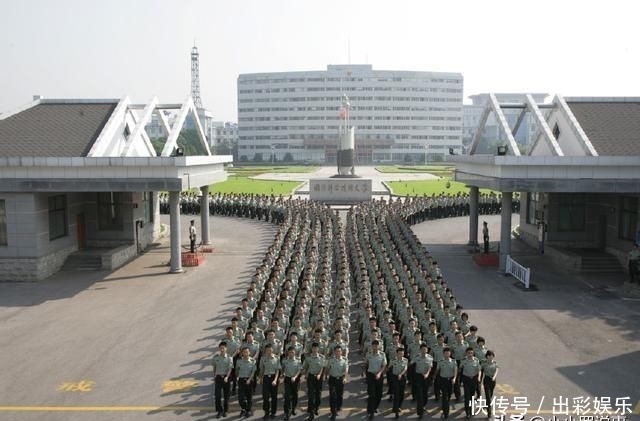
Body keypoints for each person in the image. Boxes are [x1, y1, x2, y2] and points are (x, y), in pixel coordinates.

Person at [364, 340, 387, 420]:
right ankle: (371, 411)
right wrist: (363, 372)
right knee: (372, 394)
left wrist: (379, 373)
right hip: (370, 375)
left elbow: (384, 365)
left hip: (379, 375)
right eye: (373, 346)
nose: (375, 347)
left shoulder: (382, 354)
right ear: (372, 346)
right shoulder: (368, 354)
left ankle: (375, 407)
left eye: (376, 346)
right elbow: (366, 363)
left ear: (379, 346)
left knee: (379, 394)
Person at [302, 342, 326, 421]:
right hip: (311, 377)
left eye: (316, 348)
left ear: (318, 349)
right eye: (313, 348)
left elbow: (323, 367)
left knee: (318, 394)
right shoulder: (308, 358)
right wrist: (306, 374)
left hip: (319, 377)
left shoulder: (322, 357)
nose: (315, 350)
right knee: (311, 394)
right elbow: (305, 367)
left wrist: (320, 374)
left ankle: (317, 407)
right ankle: (311, 412)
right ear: (311, 349)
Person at [326, 345, 349, 421]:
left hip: (340, 380)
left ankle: (338, 407)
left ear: (341, 352)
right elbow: (328, 368)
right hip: (332, 379)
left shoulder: (344, 360)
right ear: (334, 352)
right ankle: (333, 412)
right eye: (336, 351)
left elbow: (346, 370)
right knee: (333, 396)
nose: (338, 353)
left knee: (339, 395)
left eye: (339, 351)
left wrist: (345, 378)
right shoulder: (331, 360)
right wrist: (327, 375)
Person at [258, 344, 280, 420]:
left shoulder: (277, 358)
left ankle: (273, 412)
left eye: (270, 350)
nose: (269, 351)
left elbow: (277, 370)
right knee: (265, 397)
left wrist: (275, 380)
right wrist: (260, 378)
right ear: (265, 351)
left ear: (272, 350)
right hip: (266, 378)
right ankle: (266, 412)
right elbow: (262, 369)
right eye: (267, 350)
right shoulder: (263, 358)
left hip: (274, 378)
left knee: (274, 397)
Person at [212, 341, 234, 418]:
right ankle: (219, 411)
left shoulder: (229, 358)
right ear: (219, 348)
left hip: (226, 378)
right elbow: (214, 367)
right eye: (220, 348)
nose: (222, 349)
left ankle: (225, 410)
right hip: (218, 378)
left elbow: (230, 369)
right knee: (217, 396)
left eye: (223, 348)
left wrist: (227, 377)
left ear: (226, 349)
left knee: (226, 396)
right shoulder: (215, 357)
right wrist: (214, 375)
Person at [459, 347, 481, 420]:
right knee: (467, 397)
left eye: (471, 353)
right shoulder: (464, 360)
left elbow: (479, 370)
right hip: (466, 379)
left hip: (474, 379)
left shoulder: (476, 360)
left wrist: (479, 377)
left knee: (472, 396)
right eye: (469, 353)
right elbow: (460, 368)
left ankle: (470, 409)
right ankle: (467, 412)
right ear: (466, 353)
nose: (470, 354)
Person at [412, 343, 433, 419]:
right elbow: (411, 363)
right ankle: (420, 412)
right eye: (422, 349)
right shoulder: (416, 357)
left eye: (425, 349)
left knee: (425, 393)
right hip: (418, 376)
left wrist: (427, 374)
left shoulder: (430, 358)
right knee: (419, 394)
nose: (424, 350)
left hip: (426, 377)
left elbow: (430, 367)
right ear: (420, 350)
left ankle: (423, 405)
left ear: (427, 350)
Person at [435, 347, 457, 419]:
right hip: (443, 380)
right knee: (445, 396)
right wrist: (434, 378)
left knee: (449, 395)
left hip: (450, 380)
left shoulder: (453, 361)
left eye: (448, 353)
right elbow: (437, 370)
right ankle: (446, 413)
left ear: (450, 354)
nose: (447, 355)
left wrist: (454, 378)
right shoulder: (440, 361)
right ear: (443, 354)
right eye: (445, 353)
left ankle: (445, 405)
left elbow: (455, 371)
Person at [282, 346, 302, 421]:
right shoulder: (285, 360)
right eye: (290, 352)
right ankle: (287, 413)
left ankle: (293, 408)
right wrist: (283, 373)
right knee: (287, 396)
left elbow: (299, 370)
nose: (291, 354)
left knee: (295, 395)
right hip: (287, 379)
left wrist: (295, 377)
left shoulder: (298, 361)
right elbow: (283, 368)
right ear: (288, 353)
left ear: (295, 353)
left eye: (292, 352)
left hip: (295, 380)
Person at [235, 346, 257, 418]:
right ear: (242, 353)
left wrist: (249, 379)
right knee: (241, 398)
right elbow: (237, 370)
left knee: (249, 397)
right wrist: (237, 377)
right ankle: (244, 408)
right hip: (241, 380)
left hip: (249, 380)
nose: (246, 353)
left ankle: (248, 410)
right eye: (244, 352)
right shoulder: (239, 361)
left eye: (247, 352)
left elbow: (253, 372)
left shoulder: (253, 361)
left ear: (249, 353)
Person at [388, 347, 409, 419]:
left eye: (402, 354)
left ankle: (399, 406)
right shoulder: (393, 360)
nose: (400, 355)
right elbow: (389, 368)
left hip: (402, 378)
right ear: (396, 354)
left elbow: (405, 368)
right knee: (396, 394)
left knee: (401, 394)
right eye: (399, 354)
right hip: (395, 378)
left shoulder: (405, 360)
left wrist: (401, 374)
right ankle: (396, 409)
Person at [481, 351, 499, 419]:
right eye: (489, 355)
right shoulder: (484, 363)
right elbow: (480, 369)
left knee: (490, 394)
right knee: (488, 396)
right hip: (486, 380)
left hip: (493, 381)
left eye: (492, 355)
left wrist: (494, 377)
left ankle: (487, 404)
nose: (491, 357)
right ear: (487, 356)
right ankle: (489, 413)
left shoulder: (495, 363)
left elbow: (497, 370)